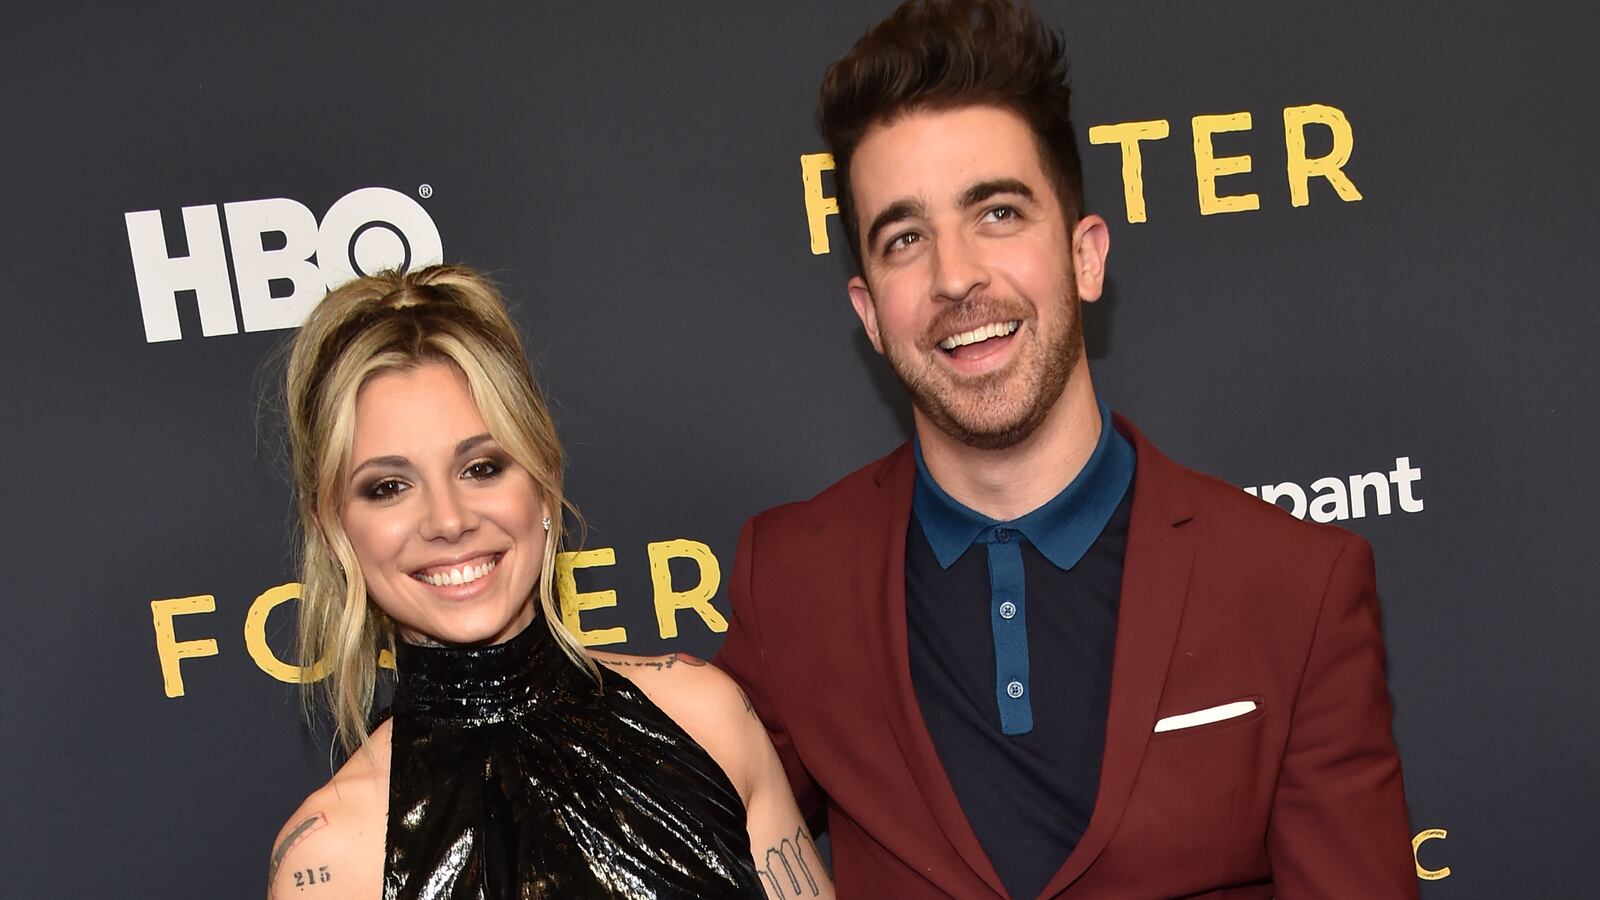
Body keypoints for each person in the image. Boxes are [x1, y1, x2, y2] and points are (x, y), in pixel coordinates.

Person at [714, 2, 1417, 897]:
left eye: (998, 212)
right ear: (869, 315)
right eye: (904, 238)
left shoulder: (1295, 588)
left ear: (1086, 257)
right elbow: (679, 824)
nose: (955, 274)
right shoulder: (792, 584)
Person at [267, 265, 832, 900]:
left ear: (543, 479)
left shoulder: (705, 715)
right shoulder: (330, 857)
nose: (449, 520)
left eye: (481, 467)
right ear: (334, 530)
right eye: (389, 487)